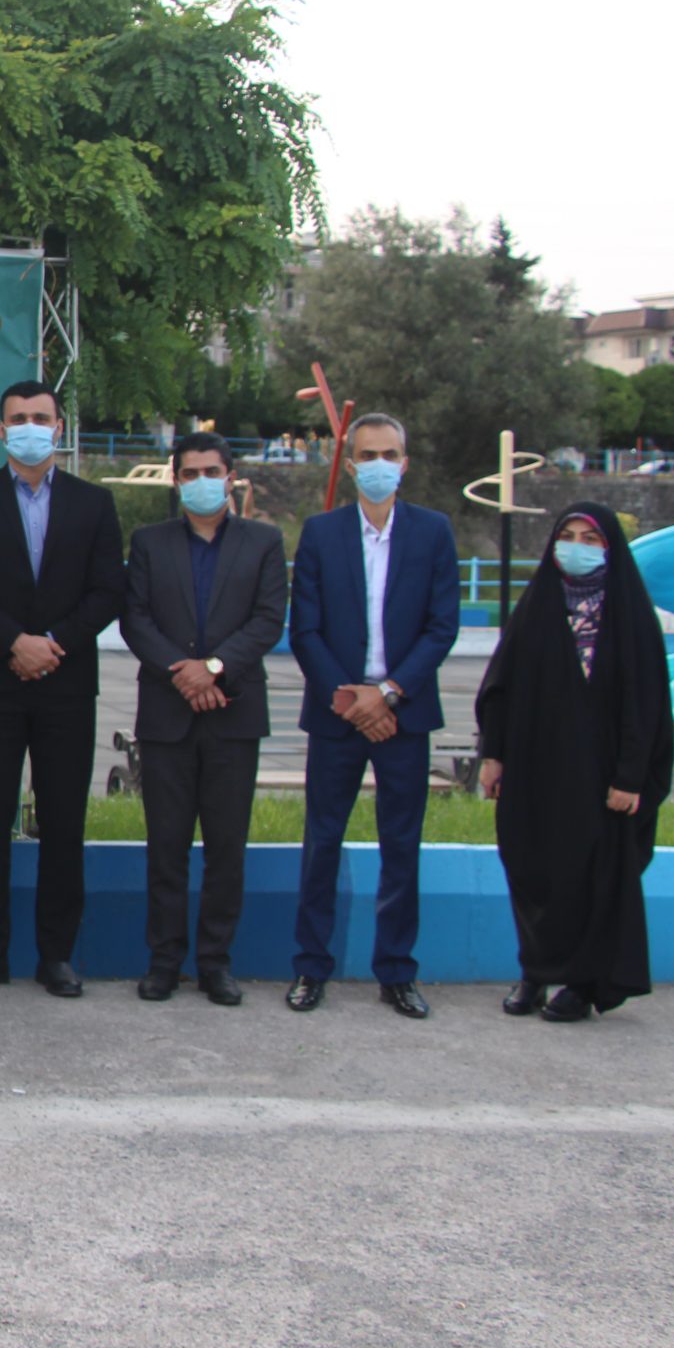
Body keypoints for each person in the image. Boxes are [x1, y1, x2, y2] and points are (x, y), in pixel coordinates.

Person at [0, 381, 125, 996]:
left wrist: (52, 644)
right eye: (17, 418)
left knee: (64, 821)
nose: (29, 427)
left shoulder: (95, 504)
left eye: (40, 417)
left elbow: (107, 590)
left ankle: (57, 956)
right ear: (1, 430)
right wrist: (14, 643)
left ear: (59, 428)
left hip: (66, 685)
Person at [286, 412, 460, 1019]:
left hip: (403, 714)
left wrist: (386, 693)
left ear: (404, 464)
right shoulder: (321, 533)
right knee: (322, 842)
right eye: (367, 455)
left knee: (401, 845)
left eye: (389, 455)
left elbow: (441, 627)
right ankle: (310, 968)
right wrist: (352, 699)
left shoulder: (434, 532)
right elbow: (305, 630)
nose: (378, 465)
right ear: (351, 464)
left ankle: (397, 972)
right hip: (337, 714)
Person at [477, 504, 672, 1022]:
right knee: (533, 869)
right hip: (536, 767)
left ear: (610, 548)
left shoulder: (629, 614)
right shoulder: (538, 604)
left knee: (592, 876)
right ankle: (535, 972)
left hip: (603, 776)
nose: (577, 546)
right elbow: (501, 685)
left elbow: (645, 702)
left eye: (591, 538)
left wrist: (630, 775)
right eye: (568, 535)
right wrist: (493, 754)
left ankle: (582, 983)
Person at [117, 433, 288, 1006]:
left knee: (226, 848)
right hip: (167, 716)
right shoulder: (150, 541)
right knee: (165, 846)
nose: (201, 482)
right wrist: (182, 672)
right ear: (175, 480)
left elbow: (268, 619)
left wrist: (213, 668)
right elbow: (136, 619)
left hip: (234, 715)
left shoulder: (264, 542)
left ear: (231, 477)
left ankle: (216, 963)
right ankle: (164, 962)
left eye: (211, 471)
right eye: (189, 473)